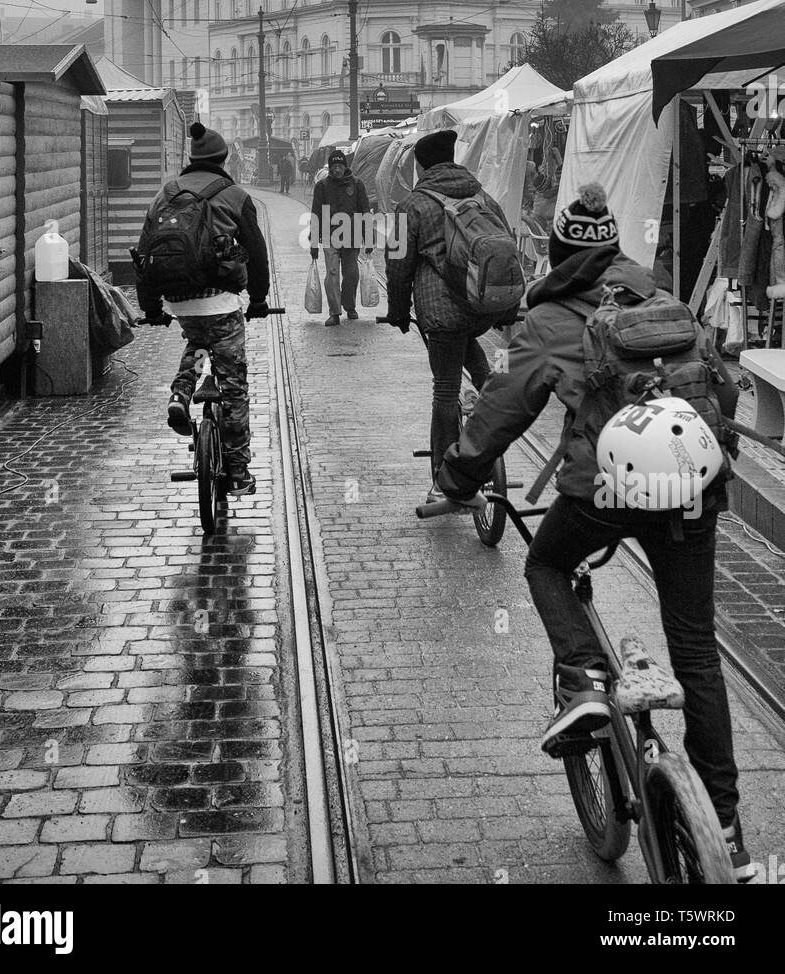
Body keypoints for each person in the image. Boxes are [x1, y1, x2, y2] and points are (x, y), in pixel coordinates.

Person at [434, 182, 753, 880]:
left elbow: (500, 411)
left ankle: (581, 680)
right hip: (688, 489)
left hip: (604, 490)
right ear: (613, 246)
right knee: (696, 650)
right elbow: (721, 390)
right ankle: (724, 827)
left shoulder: (547, 319)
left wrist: (458, 474)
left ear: (556, 251)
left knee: (545, 566)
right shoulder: (660, 295)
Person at [134, 123, 270, 496]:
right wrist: (258, 300)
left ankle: (180, 394)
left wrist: (152, 308)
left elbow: (144, 254)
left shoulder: (166, 194)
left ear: (192, 159)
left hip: (179, 302)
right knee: (233, 386)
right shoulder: (235, 195)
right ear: (223, 159)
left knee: (196, 343)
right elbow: (255, 254)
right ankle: (239, 471)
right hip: (222, 303)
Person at [384, 128, 512, 473]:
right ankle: (492, 426)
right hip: (480, 306)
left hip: (440, 311)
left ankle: (445, 470)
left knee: (445, 388)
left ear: (422, 167)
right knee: (471, 349)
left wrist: (397, 311)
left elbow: (397, 265)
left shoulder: (410, 205)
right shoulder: (484, 197)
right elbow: (506, 249)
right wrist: (507, 308)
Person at [309, 148, 372, 326]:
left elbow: (365, 211)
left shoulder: (357, 185)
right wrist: (314, 242)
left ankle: (349, 305)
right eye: (334, 166)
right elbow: (316, 214)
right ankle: (335, 312)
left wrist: (369, 238)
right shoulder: (322, 186)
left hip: (352, 236)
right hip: (330, 237)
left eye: (340, 166)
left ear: (345, 167)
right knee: (332, 274)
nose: (337, 169)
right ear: (330, 168)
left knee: (351, 274)